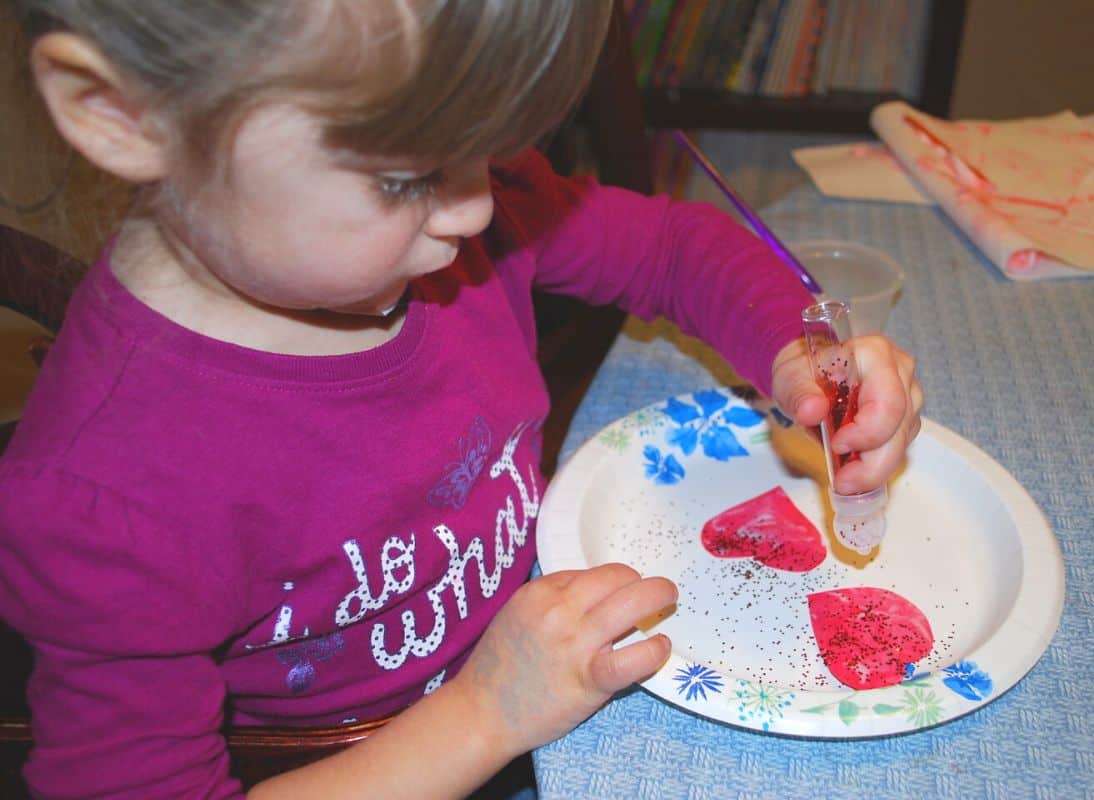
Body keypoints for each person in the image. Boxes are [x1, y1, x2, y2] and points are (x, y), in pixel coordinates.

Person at [0, 1, 923, 797]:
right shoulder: (102, 495)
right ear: (122, 113)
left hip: (541, 669)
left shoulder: (451, 198)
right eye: (406, 177)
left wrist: (800, 356)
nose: (479, 209)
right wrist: (486, 715)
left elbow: (671, 250)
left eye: (493, 148)